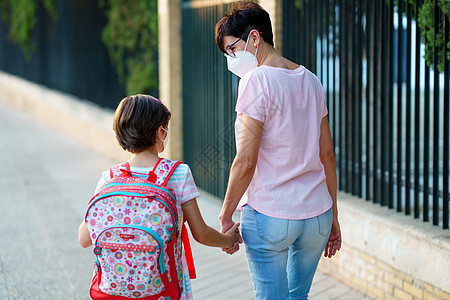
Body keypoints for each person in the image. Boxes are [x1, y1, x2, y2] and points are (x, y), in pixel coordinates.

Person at [214, 2, 342, 299]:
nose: (231, 58)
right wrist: (333, 215)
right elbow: (328, 155)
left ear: (255, 38)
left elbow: (246, 160)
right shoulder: (311, 80)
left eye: (232, 49)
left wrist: (225, 216)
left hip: (270, 214)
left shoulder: (256, 80)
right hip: (317, 216)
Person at [78, 94, 241, 300]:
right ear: (160, 131)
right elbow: (201, 234)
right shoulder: (178, 173)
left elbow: (84, 239)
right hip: (164, 286)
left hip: (115, 289)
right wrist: (229, 239)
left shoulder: (109, 178)